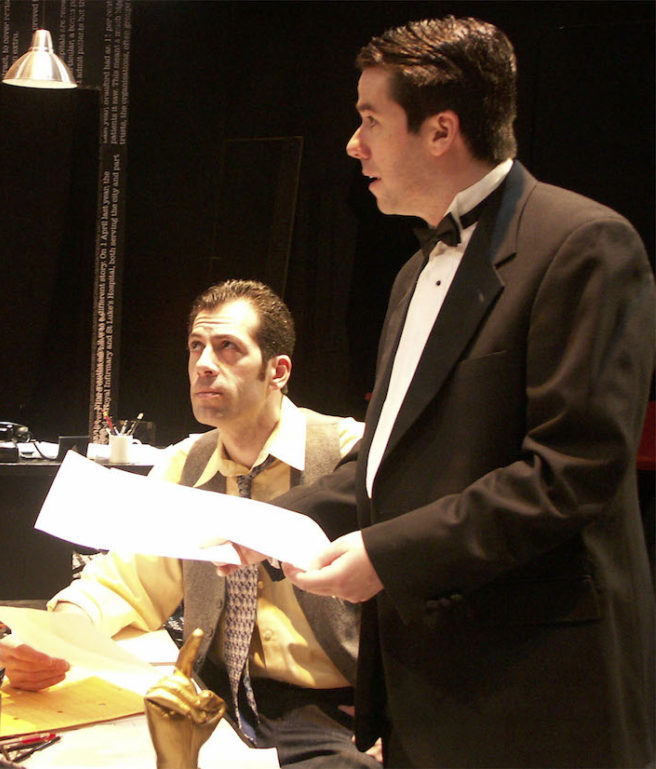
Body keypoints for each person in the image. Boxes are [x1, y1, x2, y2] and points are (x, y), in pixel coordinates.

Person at [261, 16, 654, 768]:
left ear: (441, 130)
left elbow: (569, 475)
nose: (353, 144)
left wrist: (386, 555)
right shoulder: (413, 273)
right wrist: (269, 521)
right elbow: (388, 463)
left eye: (371, 120)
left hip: (538, 694)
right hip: (428, 688)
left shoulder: (584, 244)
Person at [0, 280, 380, 768]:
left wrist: (403, 714)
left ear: (278, 371)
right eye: (196, 347)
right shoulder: (184, 464)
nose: (204, 363)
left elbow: (419, 590)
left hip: (331, 713)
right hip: (213, 696)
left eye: (228, 348)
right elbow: (125, 581)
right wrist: (55, 638)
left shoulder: (352, 455)